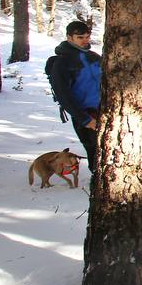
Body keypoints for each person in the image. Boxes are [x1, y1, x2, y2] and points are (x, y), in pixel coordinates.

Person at [48, 20, 102, 177]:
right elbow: (63, 95)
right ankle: (99, 185)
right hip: (85, 114)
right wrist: (85, 119)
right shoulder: (62, 63)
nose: (85, 40)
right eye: (80, 37)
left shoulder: (93, 57)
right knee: (94, 150)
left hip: (105, 109)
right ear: (69, 38)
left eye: (87, 36)